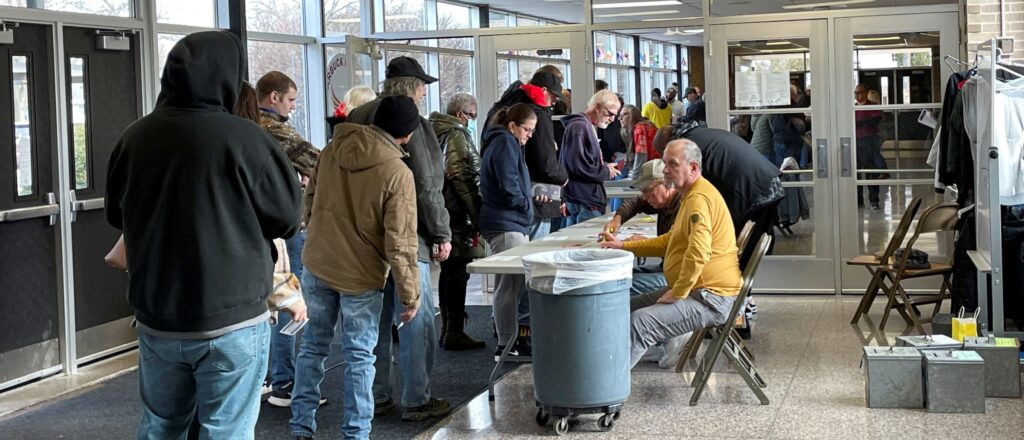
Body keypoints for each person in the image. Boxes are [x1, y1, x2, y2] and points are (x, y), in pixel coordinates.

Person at [105, 31, 303, 439]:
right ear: (228, 76)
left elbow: (115, 215)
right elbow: (286, 218)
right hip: (230, 319)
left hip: (157, 317)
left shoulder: (135, 137)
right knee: (225, 430)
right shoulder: (246, 139)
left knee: (161, 427)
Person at [289, 96, 422, 440]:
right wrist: (410, 294)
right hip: (361, 275)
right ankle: (356, 433)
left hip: (317, 262)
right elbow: (401, 241)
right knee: (359, 356)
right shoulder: (397, 172)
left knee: (312, 348)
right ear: (407, 135)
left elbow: (310, 202)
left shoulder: (332, 150)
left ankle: (300, 427)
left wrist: (319, 235)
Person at [346, 56, 452, 421]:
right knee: (415, 320)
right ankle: (416, 398)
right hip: (409, 238)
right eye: (422, 85)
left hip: (361, 240)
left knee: (373, 323)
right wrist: (441, 231)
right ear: (410, 86)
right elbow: (426, 184)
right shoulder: (412, 123)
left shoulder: (355, 119)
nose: (424, 92)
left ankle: (376, 396)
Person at [599, 139, 741, 369]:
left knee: (639, 322)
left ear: (693, 168)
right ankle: (601, 370)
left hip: (709, 298)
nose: (665, 170)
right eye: (665, 163)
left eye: (672, 164)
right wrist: (624, 246)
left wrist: (678, 291)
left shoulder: (698, 200)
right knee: (623, 306)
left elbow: (698, 252)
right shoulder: (691, 195)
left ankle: (604, 392)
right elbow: (671, 241)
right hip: (698, 291)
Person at [256, 70, 323, 408]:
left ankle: (267, 377)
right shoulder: (274, 130)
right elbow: (318, 162)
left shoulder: (242, 129)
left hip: (256, 228)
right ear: (274, 98)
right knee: (289, 300)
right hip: (286, 227)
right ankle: (285, 381)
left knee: (265, 301)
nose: (292, 107)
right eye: (291, 99)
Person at [654, 123, 784, 269]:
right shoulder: (698, 134)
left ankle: (733, 289)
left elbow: (701, 191)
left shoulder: (688, 149)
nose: (666, 167)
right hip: (765, 181)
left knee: (739, 250)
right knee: (747, 245)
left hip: (754, 190)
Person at [429, 93, 487, 351]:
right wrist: (476, 213)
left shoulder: (433, 131)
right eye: (472, 116)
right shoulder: (456, 134)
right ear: (460, 114)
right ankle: (454, 330)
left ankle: (449, 328)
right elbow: (459, 173)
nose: (473, 121)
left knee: (449, 271)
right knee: (457, 272)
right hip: (456, 213)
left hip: (444, 210)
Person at [479, 103, 537, 360]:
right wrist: (525, 205)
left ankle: (510, 339)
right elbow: (508, 184)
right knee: (507, 286)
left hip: (511, 221)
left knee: (512, 286)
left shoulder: (507, 143)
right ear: (512, 125)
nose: (529, 135)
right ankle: (505, 343)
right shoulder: (504, 143)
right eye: (527, 129)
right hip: (506, 223)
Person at [486, 68, 568, 241]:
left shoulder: (508, 106)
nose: (553, 101)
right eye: (528, 130)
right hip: (524, 209)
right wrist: (562, 177)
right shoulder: (533, 115)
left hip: (516, 209)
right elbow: (544, 163)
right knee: (529, 260)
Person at [603, 159, 682, 297]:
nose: (645, 197)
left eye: (648, 190)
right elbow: (635, 202)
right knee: (617, 275)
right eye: (643, 191)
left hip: (680, 277)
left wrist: (636, 243)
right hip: (667, 267)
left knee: (619, 285)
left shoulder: (683, 206)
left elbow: (673, 247)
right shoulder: (664, 202)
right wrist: (617, 220)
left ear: (667, 184)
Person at [560, 89, 622, 226]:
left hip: (583, 198)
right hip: (584, 200)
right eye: (610, 114)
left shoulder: (583, 126)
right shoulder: (579, 127)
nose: (612, 119)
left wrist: (605, 168)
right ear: (597, 107)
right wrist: (605, 171)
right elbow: (577, 166)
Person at [855, 83, 887, 210]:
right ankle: (858, 200)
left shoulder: (873, 107)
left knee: (871, 172)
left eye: (860, 92)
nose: (857, 95)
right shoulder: (853, 107)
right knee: (856, 173)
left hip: (869, 142)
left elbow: (874, 121)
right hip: (856, 142)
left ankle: (874, 200)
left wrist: (858, 123)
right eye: (855, 93)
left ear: (866, 93)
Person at [620, 104, 659, 178]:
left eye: (624, 114)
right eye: (620, 115)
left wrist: (634, 177)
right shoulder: (643, 126)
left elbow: (641, 155)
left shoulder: (639, 129)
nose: (620, 118)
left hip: (653, 170)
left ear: (633, 116)